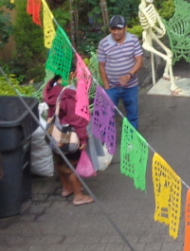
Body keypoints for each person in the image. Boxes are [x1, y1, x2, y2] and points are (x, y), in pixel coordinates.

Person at [43, 76, 94, 206]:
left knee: (60, 161)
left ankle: (66, 188)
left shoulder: (52, 88)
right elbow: (77, 119)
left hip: (55, 133)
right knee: (73, 166)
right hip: (68, 135)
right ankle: (78, 196)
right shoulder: (69, 94)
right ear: (70, 74)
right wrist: (83, 139)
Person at [97, 15, 144, 131]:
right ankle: (106, 144)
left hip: (131, 86)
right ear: (109, 29)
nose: (116, 32)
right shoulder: (104, 44)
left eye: (119, 29)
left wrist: (129, 75)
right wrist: (107, 86)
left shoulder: (133, 40)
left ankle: (131, 140)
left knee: (132, 115)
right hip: (112, 87)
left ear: (125, 28)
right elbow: (101, 66)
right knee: (107, 116)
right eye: (113, 29)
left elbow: (139, 61)